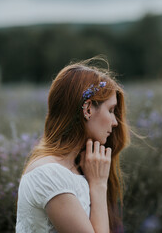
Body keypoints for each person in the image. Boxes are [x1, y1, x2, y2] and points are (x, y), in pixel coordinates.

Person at [16, 57, 130, 232]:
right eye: (111, 110)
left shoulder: (77, 168)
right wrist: (98, 185)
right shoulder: (49, 174)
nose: (115, 122)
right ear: (88, 109)